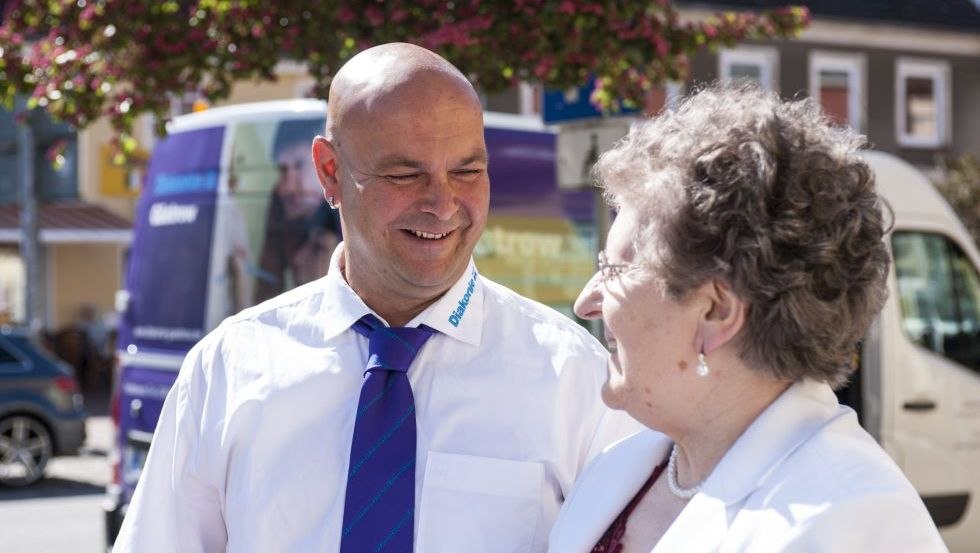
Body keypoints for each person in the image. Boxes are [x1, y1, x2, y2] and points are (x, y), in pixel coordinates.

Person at [113, 43, 638, 553]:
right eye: (404, 173)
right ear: (329, 172)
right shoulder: (226, 370)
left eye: (467, 170)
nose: (442, 203)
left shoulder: (574, 379)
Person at [548, 83, 948, 552]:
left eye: (612, 270)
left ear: (716, 311)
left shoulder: (854, 520)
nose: (586, 302)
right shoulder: (625, 466)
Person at [253, 118, 341, 303]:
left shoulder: (346, 202)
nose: (290, 186)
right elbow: (267, 284)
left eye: (299, 165)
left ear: (325, 164)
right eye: (283, 169)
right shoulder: (279, 200)